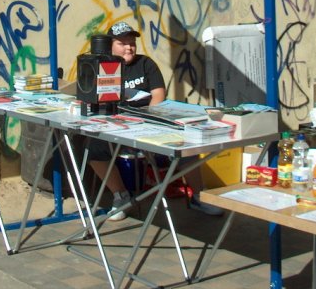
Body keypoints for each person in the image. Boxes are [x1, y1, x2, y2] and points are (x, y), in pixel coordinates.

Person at [87, 21, 223, 220]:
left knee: (186, 143)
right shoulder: (103, 66)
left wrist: (148, 117)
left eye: (132, 43)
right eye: (122, 43)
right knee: (94, 149)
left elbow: (158, 94)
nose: (128, 47)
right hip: (116, 123)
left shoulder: (145, 64)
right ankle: (121, 196)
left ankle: (198, 196)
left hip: (148, 121)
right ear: (110, 46)